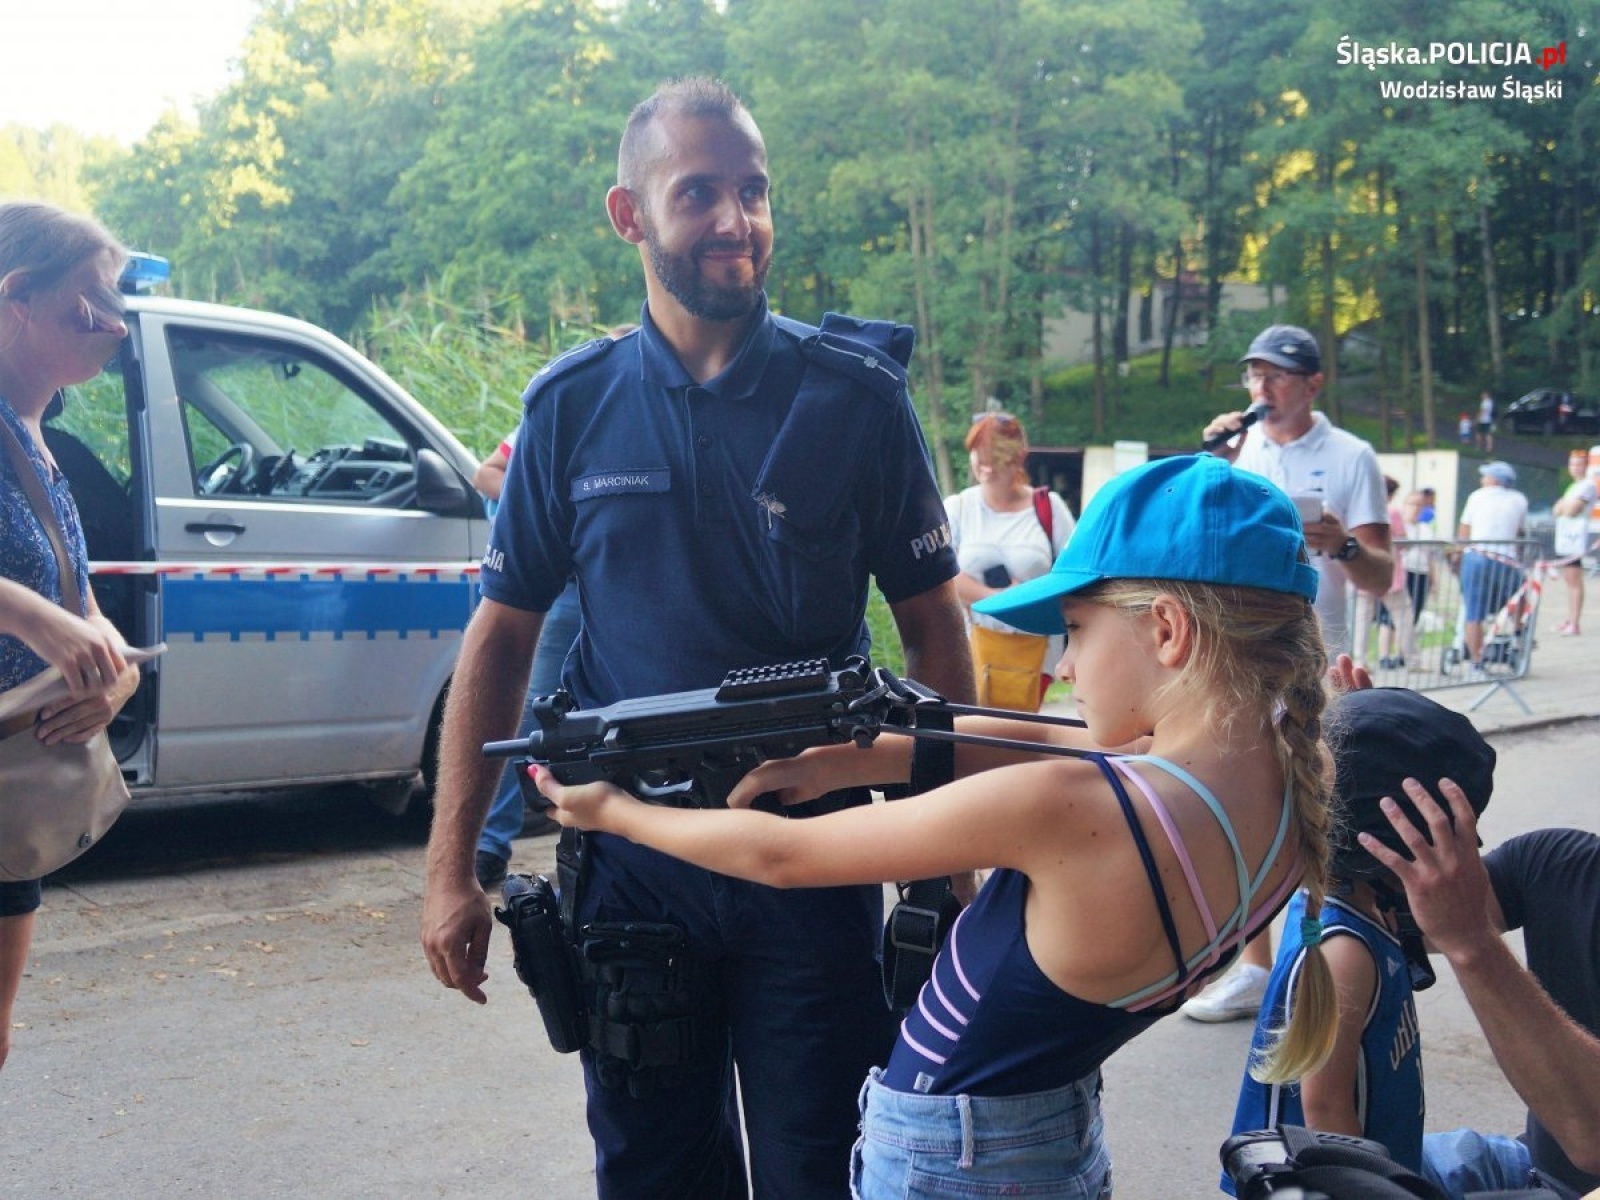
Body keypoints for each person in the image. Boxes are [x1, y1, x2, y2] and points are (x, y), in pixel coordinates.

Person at [419, 77, 973, 1198]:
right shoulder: (571, 405)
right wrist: (451, 872)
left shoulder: (854, 399)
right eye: (700, 193)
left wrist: (943, 850)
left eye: (753, 191)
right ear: (629, 214)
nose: (737, 220)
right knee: (654, 1175)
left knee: (826, 1170)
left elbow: (935, 629)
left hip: (816, 861)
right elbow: (501, 638)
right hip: (634, 868)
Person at [536, 452, 1341, 1199]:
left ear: (1167, 630)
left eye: (1075, 630)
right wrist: (852, 761)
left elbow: (782, 855)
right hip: (1047, 1138)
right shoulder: (1284, 788)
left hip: (952, 1159)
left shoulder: (1075, 807)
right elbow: (1047, 735)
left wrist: (617, 814)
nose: (1063, 665)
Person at [1188, 323, 1392, 1023]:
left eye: (1277, 375)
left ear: (1312, 384)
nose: (1262, 387)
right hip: (1242, 648)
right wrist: (1215, 462)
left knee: (1320, 804)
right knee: (1245, 800)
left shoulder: (1351, 455)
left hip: (1319, 655)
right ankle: (1255, 967)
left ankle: (1325, 959)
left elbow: (1382, 574)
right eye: (1254, 374)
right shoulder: (1236, 451)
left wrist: (1345, 546)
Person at [1222, 687, 1497, 1188]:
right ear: (1401, 843)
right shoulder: (1345, 952)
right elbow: (1326, 1110)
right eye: (1461, 832)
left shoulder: (1364, 904)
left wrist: (1367, 734)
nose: (1470, 848)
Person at [0, 200, 143, 1072]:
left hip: (12, 792)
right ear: (17, 298)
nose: (115, 328)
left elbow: (79, 600)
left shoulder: (35, 436)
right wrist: (27, 613)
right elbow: (45, 607)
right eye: (89, 306)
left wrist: (114, 673)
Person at [1361, 794, 1600, 1196]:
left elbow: (1593, 1141)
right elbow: (1431, 910)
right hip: (1529, 1163)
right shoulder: (1567, 863)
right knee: (1314, 1168)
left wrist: (1472, 942)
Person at [467, 426, 570, 891]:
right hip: (568, 585)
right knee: (528, 711)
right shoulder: (566, 401)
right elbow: (486, 474)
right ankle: (489, 845)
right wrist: (549, 500)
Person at [945, 410, 1074, 711]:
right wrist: (1001, 598)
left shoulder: (1049, 507)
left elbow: (1072, 572)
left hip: (1036, 650)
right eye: (977, 454)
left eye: (994, 457)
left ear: (1018, 457)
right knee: (975, 730)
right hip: (974, 645)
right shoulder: (958, 507)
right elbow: (942, 576)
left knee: (1021, 730)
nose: (984, 466)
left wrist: (1028, 598)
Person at [1457, 460, 1528, 675]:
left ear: (1495, 480)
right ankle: (1518, 632)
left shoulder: (1477, 496)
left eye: (1485, 476)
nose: (1482, 480)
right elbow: (1519, 532)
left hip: (1478, 556)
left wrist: (1458, 554)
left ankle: (1476, 661)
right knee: (1519, 596)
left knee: (1474, 612)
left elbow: (1464, 530)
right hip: (1507, 559)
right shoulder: (1519, 499)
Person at [1549, 448, 1595, 637]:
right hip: (1565, 539)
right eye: (1572, 464)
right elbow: (1556, 510)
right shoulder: (1572, 487)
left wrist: (1564, 507)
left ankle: (1575, 623)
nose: (1575, 468)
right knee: (1569, 580)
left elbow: (1570, 510)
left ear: (1585, 466)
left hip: (1575, 539)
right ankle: (1570, 619)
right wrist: (1562, 507)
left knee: (1575, 581)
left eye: (1579, 464)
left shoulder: (1587, 486)